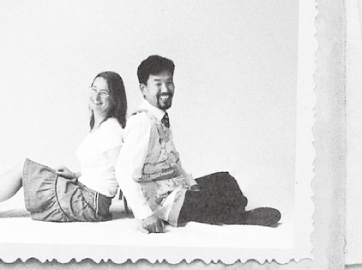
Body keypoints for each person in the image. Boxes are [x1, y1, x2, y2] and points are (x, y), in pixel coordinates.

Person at [115, 55, 281, 234]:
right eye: (158, 84)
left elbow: (171, 160)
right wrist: (145, 214)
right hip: (161, 203)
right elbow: (123, 172)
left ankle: (227, 210)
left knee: (225, 181)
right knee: (223, 198)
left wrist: (190, 183)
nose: (166, 89)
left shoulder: (158, 117)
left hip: (173, 189)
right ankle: (239, 217)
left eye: (169, 82)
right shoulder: (142, 122)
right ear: (143, 89)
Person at [0, 71, 127, 223]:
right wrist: (75, 175)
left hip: (89, 203)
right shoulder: (102, 127)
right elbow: (103, 169)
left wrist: (141, 212)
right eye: (94, 89)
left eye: (104, 93)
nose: (96, 96)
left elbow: (123, 173)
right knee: (25, 169)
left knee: (23, 169)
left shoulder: (110, 130)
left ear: (115, 100)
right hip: (85, 193)